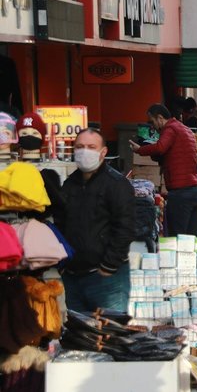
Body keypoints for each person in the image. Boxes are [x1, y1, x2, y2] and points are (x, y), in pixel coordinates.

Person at [58, 129, 135, 313]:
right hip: (73, 278)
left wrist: (109, 265)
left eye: (91, 147)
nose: (84, 151)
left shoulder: (116, 184)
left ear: (103, 152)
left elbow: (125, 227)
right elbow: (62, 224)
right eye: (80, 147)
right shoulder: (69, 184)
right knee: (77, 330)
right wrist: (62, 264)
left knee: (110, 329)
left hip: (107, 279)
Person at [130, 104, 197, 237]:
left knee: (177, 238)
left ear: (160, 118)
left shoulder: (170, 129)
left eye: (152, 122)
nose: (153, 127)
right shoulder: (185, 129)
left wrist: (140, 150)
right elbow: (168, 154)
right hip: (196, 191)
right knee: (194, 238)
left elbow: (160, 148)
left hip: (181, 193)